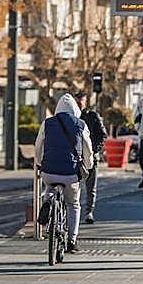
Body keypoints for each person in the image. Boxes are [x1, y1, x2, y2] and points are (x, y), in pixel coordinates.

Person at [34, 94, 94, 253]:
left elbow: (38, 146)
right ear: (75, 109)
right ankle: (72, 241)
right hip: (71, 173)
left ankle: (48, 201)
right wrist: (88, 166)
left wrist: (40, 163)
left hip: (49, 170)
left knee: (49, 188)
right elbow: (88, 150)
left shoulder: (47, 123)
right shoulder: (81, 124)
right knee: (73, 204)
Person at [75, 92, 107, 224]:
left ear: (85, 101)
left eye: (81, 101)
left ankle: (89, 212)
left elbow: (102, 134)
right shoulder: (72, 116)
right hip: (75, 157)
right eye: (77, 102)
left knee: (90, 187)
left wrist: (95, 150)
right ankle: (73, 211)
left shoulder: (93, 116)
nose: (79, 104)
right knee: (73, 187)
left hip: (91, 156)